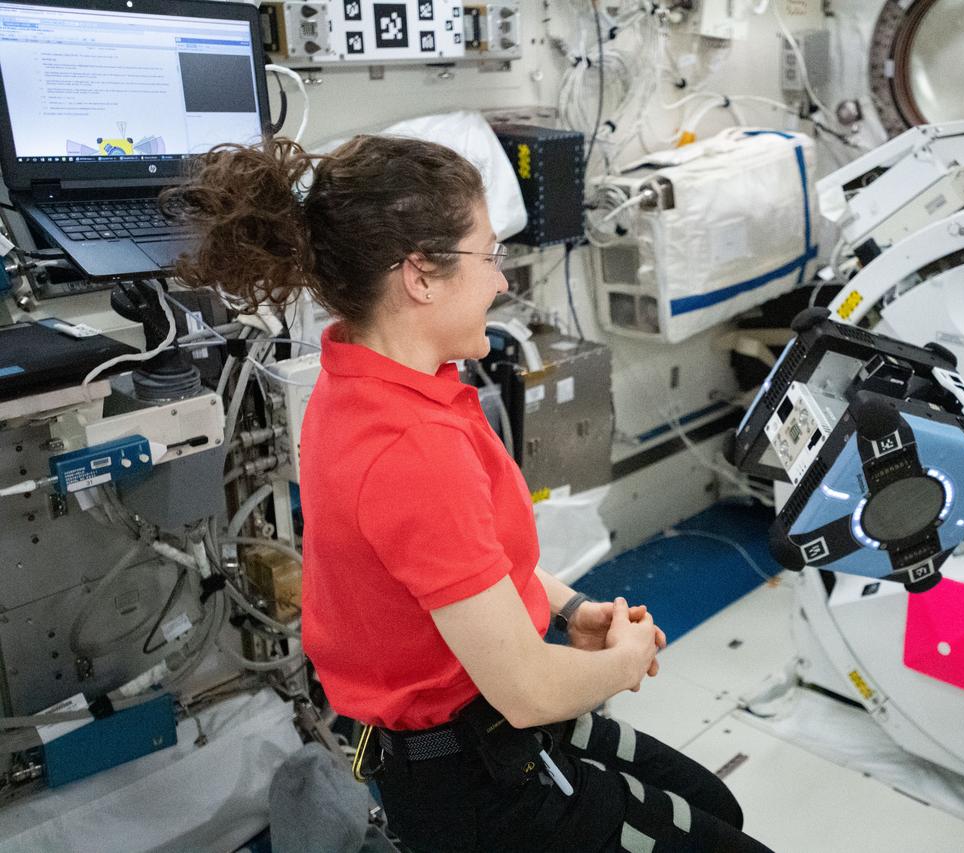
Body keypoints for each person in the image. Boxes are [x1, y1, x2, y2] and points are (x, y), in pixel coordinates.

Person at [171, 135, 775, 853]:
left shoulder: (365, 375)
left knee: (715, 804)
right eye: (489, 256)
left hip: (487, 730)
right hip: (479, 783)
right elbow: (529, 689)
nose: (500, 280)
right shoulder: (412, 449)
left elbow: (466, 564)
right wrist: (627, 656)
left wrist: (570, 608)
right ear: (421, 275)